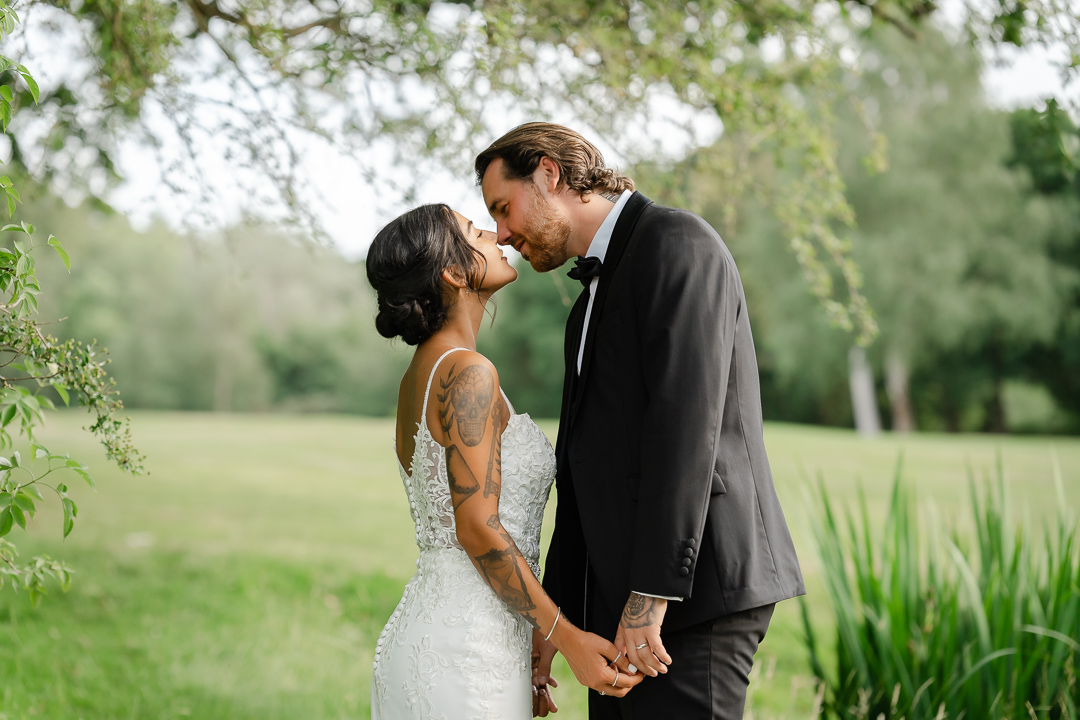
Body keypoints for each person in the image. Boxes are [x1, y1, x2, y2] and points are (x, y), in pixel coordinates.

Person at [475, 123, 806, 719]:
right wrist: (558, 620)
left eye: (504, 207)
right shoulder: (584, 308)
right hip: (618, 599)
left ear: (549, 173)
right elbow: (581, 472)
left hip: (693, 592)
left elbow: (686, 432)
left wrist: (651, 596)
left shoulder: (678, 243)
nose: (502, 233)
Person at [365, 203, 642, 719]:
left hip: (458, 634)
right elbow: (477, 529)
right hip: (464, 651)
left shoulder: (419, 376)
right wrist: (568, 636)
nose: (496, 234)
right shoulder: (466, 372)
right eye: (476, 230)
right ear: (452, 272)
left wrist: (532, 635)